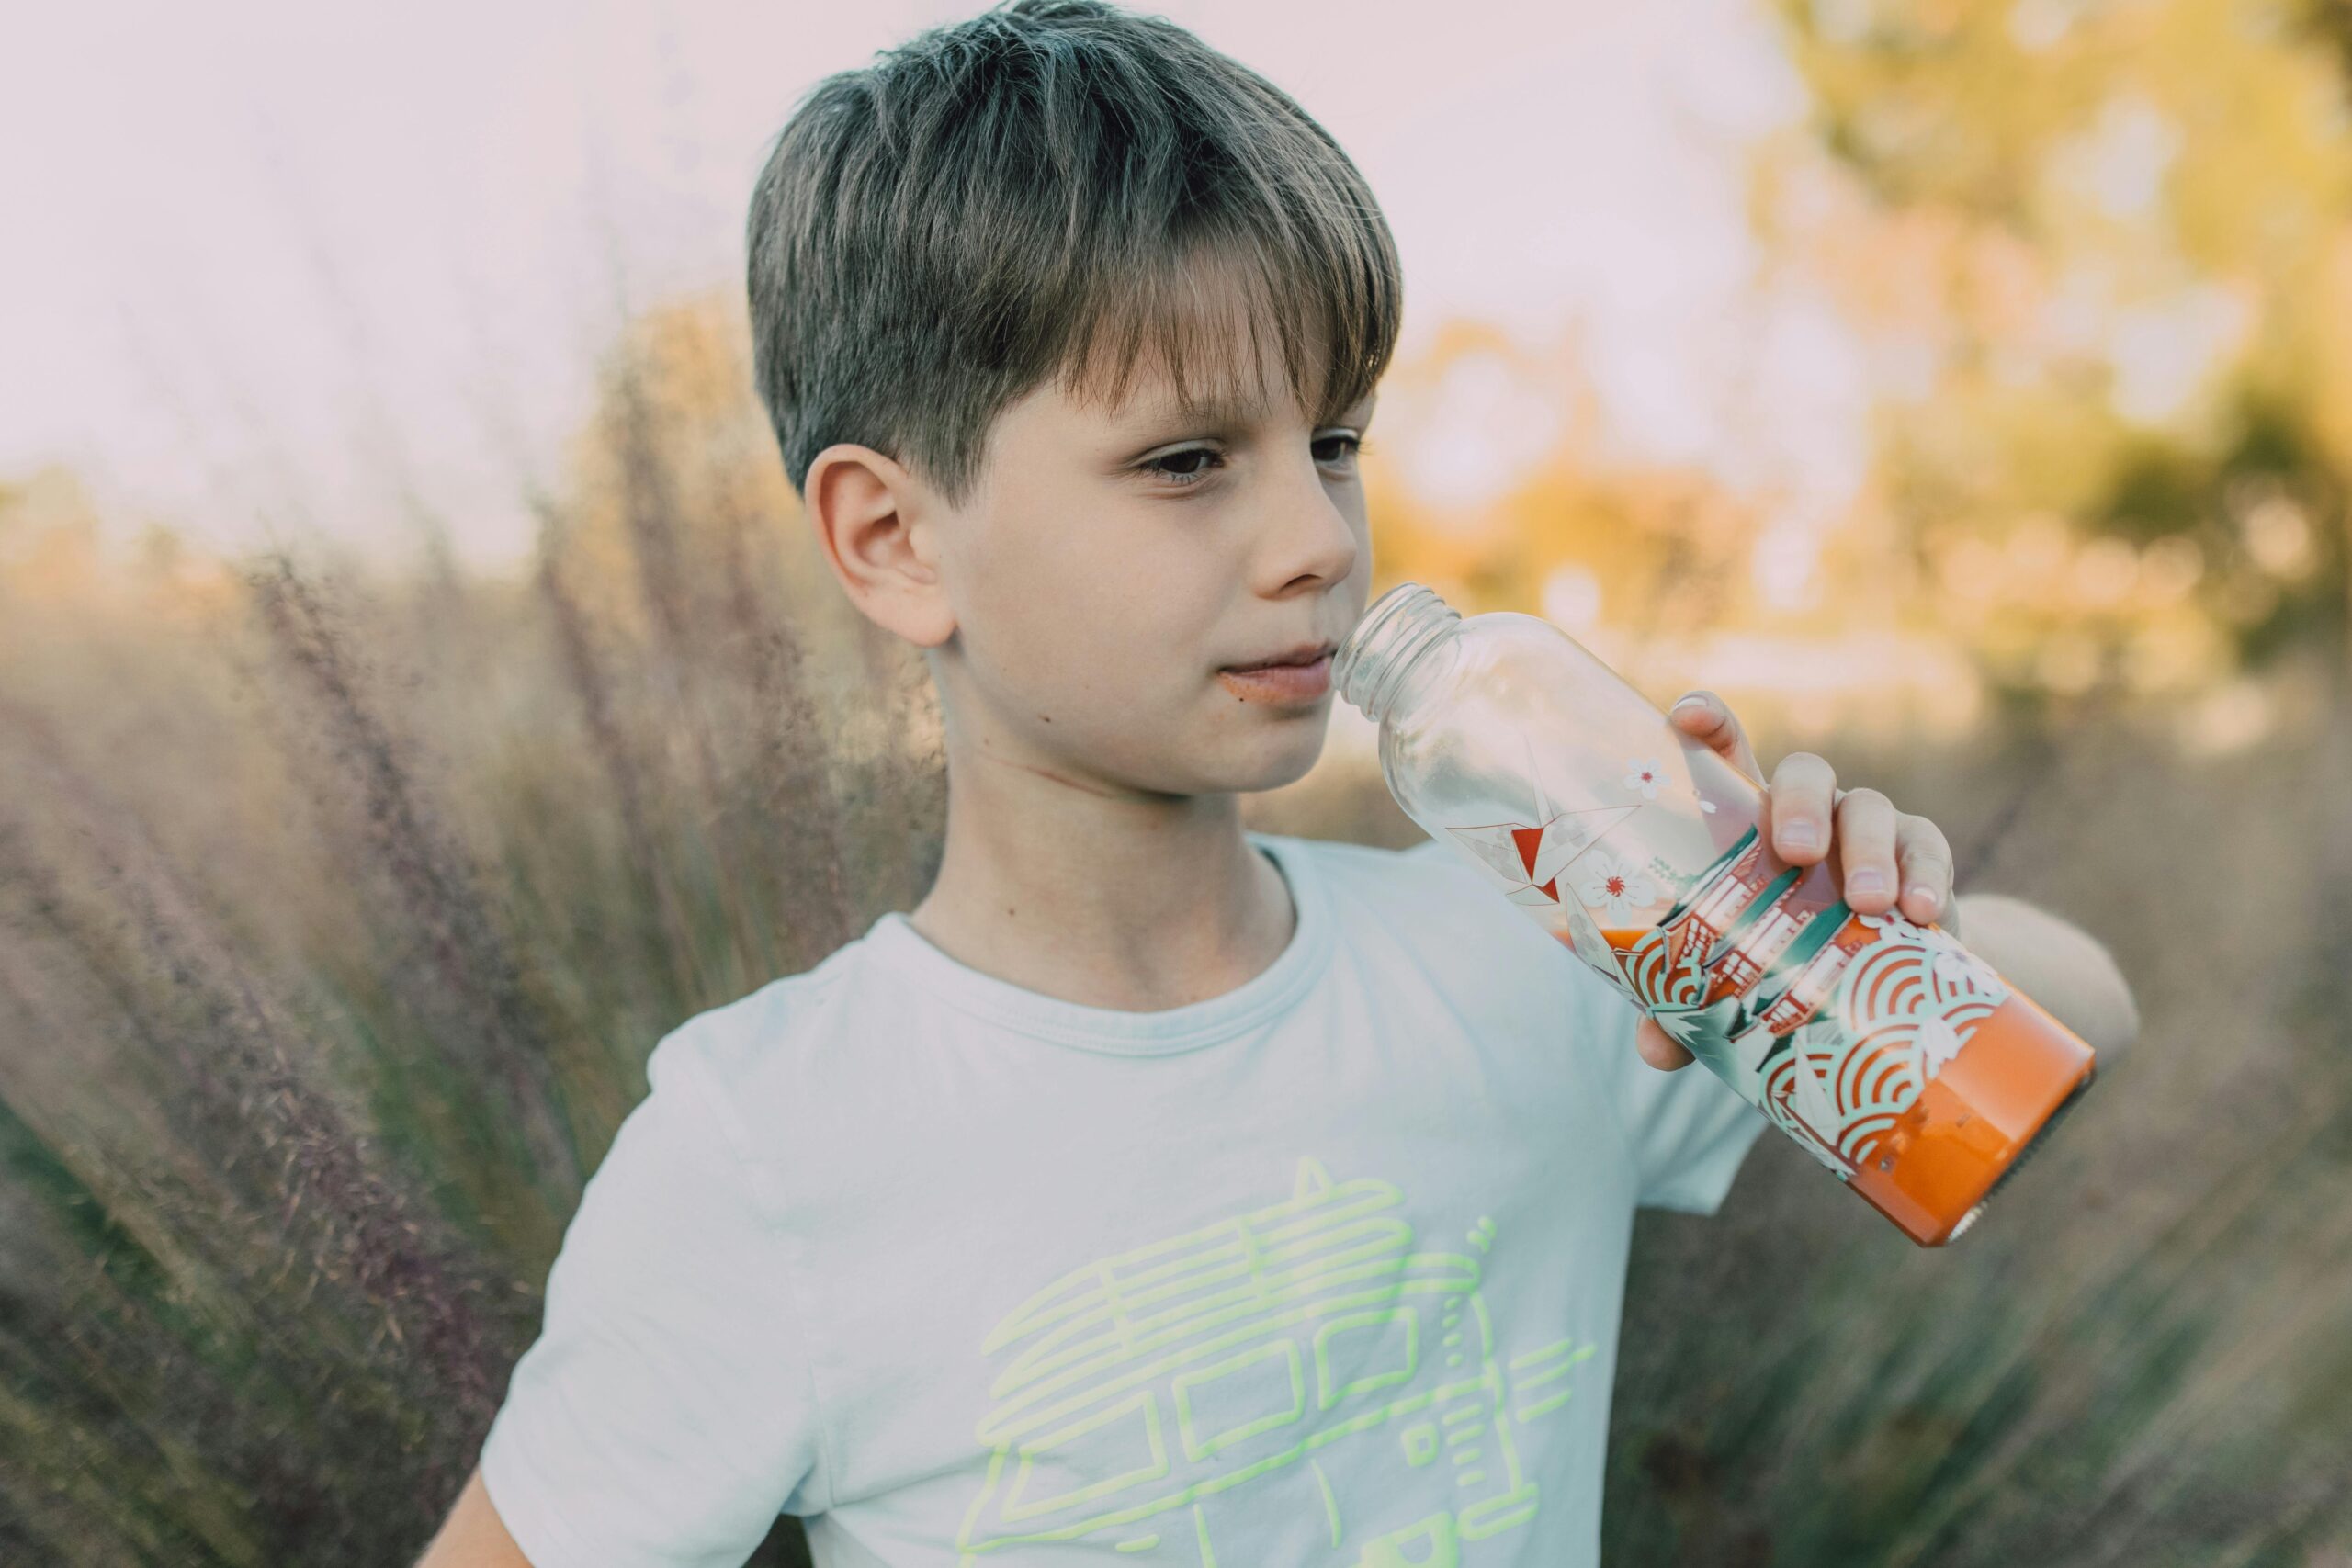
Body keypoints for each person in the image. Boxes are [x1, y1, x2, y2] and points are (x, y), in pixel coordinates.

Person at [416, 4, 2141, 1563]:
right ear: (894, 539)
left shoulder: (1529, 958)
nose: (1318, 541)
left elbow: (2093, 1017)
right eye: (1185, 462)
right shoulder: (773, 1152)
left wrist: (1865, 917)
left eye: (1333, 442)